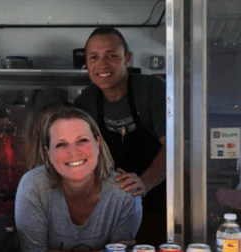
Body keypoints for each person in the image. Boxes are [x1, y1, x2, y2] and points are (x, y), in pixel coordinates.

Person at [74, 27, 167, 246]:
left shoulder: (151, 89)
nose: (102, 64)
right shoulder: (86, 101)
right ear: (86, 64)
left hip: (158, 197)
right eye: (94, 57)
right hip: (111, 205)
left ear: (127, 58)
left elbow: (175, 147)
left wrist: (144, 183)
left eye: (111, 55)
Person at [15, 104, 142, 251]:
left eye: (82, 140)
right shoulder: (33, 186)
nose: (73, 152)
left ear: (97, 143)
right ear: (48, 152)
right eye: (61, 144)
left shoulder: (124, 192)